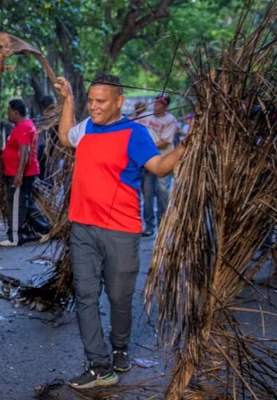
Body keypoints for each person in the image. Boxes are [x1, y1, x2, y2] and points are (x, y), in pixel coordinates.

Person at [53, 74, 185, 389]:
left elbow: (160, 167)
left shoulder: (134, 133)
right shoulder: (86, 127)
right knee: (85, 296)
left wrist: (187, 145)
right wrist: (69, 101)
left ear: (118, 101)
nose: (94, 107)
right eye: (91, 101)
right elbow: (64, 137)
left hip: (121, 231)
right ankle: (99, 367)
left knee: (119, 298)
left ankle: (120, 347)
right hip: (83, 228)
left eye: (101, 102)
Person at [0, 99, 50, 247]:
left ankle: (15, 237)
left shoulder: (23, 127)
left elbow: (25, 152)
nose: (7, 114)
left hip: (21, 173)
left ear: (15, 112)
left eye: (9, 111)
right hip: (20, 172)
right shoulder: (23, 126)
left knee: (17, 204)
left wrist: (19, 174)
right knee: (25, 203)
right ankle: (46, 228)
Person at [138, 94, 180, 236]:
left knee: (162, 193)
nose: (157, 105)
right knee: (147, 193)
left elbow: (165, 142)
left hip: (163, 159)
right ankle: (149, 225)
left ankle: (163, 225)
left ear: (166, 105)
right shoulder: (145, 116)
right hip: (147, 162)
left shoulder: (170, 120)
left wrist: (145, 147)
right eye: (156, 102)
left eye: (160, 103)